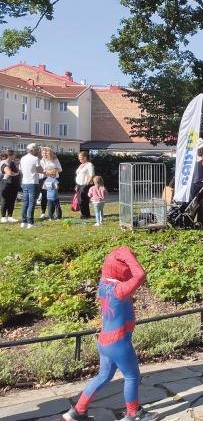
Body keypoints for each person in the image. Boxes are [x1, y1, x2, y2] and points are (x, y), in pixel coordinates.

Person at [63, 246, 157, 421]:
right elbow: (140, 275)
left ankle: (76, 411)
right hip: (119, 342)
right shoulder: (119, 291)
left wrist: (119, 256)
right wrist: (126, 255)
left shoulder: (104, 284)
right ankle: (133, 413)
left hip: (105, 341)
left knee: (103, 376)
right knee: (132, 376)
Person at [19, 143, 44, 229]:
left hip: (24, 182)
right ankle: (30, 223)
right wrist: (46, 171)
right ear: (32, 150)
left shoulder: (23, 158)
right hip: (33, 183)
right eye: (37, 150)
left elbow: (20, 170)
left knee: (25, 202)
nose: (38, 151)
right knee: (31, 203)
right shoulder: (35, 158)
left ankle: (23, 222)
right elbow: (40, 170)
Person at [39, 147, 62, 220]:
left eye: (45, 153)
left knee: (53, 196)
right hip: (44, 178)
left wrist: (53, 170)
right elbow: (40, 170)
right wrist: (46, 171)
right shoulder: (41, 160)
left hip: (54, 178)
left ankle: (56, 214)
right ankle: (43, 212)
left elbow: (60, 169)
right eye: (42, 153)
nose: (44, 154)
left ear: (49, 153)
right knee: (44, 196)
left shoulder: (55, 159)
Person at [0, 150, 20, 223]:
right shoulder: (3, 163)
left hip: (14, 184)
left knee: (12, 200)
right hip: (5, 184)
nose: (15, 156)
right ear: (9, 155)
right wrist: (17, 173)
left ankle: (10, 216)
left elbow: (17, 170)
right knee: (5, 200)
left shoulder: (12, 163)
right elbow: (9, 172)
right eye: (14, 154)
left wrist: (17, 171)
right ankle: (3, 217)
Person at [76, 151, 95, 220]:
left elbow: (92, 175)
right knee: (80, 199)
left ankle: (85, 215)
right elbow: (78, 175)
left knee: (83, 200)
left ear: (85, 157)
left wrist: (87, 183)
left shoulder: (89, 165)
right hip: (79, 184)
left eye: (81, 158)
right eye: (79, 158)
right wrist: (77, 184)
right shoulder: (81, 165)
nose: (79, 159)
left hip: (85, 184)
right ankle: (85, 214)